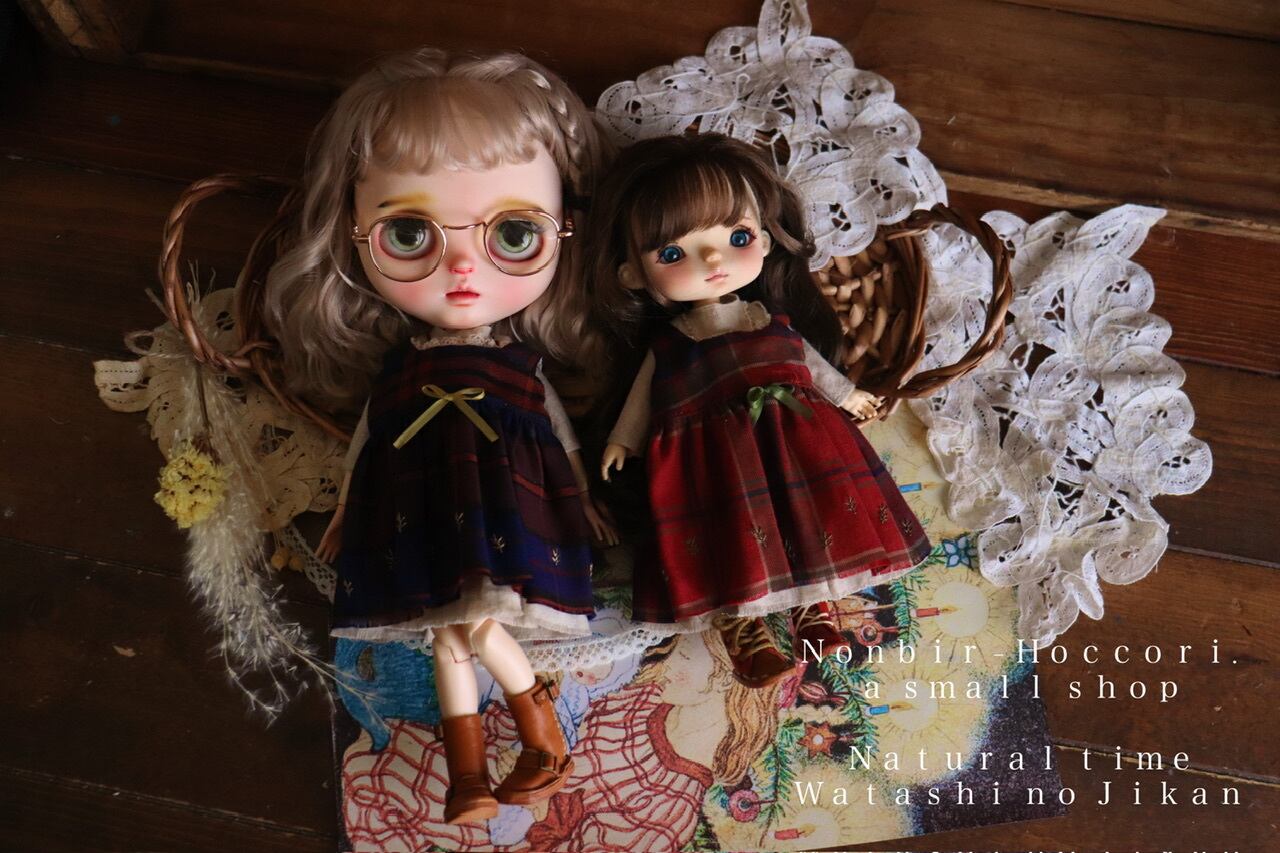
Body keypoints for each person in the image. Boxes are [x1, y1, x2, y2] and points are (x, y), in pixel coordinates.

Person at [261, 47, 616, 824]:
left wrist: (582, 497)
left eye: (514, 235)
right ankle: (481, 766)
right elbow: (367, 442)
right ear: (352, 230)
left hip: (501, 509)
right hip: (422, 505)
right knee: (453, 634)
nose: (461, 267)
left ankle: (529, 744)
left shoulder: (520, 366)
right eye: (409, 234)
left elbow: (559, 434)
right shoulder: (398, 373)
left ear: (566, 230)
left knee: (469, 626)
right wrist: (347, 509)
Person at [590, 133, 931, 689]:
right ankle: (743, 636)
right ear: (632, 274)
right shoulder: (670, 345)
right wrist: (622, 441)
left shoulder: (774, 324)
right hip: (710, 466)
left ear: (767, 242)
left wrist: (848, 396)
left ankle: (813, 616)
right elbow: (642, 398)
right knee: (726, 543)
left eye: (738, 237)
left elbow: (813, 367)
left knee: (807, 523)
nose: (713, 260)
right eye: (672, 254)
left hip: (793, 445)